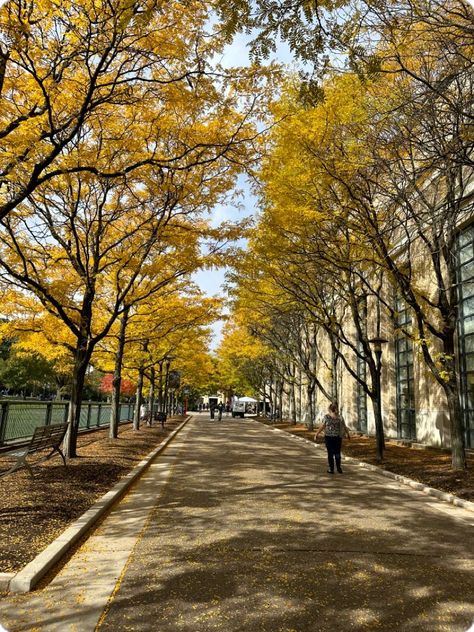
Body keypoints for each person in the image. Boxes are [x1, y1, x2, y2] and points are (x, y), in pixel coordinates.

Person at [314, 403, 350, 474]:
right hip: (338, 438)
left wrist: (316, 434)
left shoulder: (326, 417)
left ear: (330, 409)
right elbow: (344, 426)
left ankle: (331, 469)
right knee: (337, 453)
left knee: (330, 454)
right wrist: (348, 434)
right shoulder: (340, 417)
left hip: (329, 438)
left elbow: (322, 426)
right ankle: (339, 467)